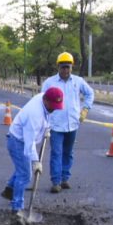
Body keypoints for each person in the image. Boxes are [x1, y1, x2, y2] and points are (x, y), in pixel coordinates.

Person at [1, 87, 65, 213]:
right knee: (25, 174)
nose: (53, 109)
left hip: (23, 139)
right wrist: (36, 161)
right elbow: (29, 145)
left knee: (22, 168)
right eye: (52, 106)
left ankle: (10, 189)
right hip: (18, 141)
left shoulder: (43, 98)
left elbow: (46, 116)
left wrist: (47, 128)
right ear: (45, 100)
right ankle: (17, 207)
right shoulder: (34, 115)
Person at [41, 52, 94, 193]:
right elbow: (42, 101)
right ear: (58, 67)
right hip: (56, 125)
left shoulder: (78, 81)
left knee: (68, 153)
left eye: (68, 67)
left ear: (72, 67)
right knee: (56, 153)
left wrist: (85, 109)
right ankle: (56, 181)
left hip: (72, 124)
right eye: (63, 67)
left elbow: (90, 93)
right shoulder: (49, 82)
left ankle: (65, 178)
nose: (65, 70)